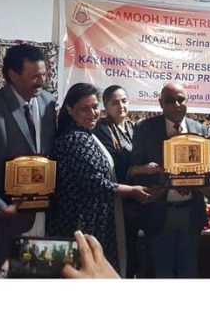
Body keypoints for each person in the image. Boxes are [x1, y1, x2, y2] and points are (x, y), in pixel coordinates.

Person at [0, 44, 57, 269]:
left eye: (44, 75)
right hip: (6, 219)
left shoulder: (48, 102)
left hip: (44, 214)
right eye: (34, 76)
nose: (41, 82)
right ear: (13, 75)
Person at [46, 82, 152, 276]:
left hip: (92, 220)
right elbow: (95, 183)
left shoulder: (86, 134)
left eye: (94, 107)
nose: (92, 113)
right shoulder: (75, 138)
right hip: (79, 223)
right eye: (84, 109)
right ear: (69, 109)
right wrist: (132, 191)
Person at [128, 81, 207, 278]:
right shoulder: (145, 129)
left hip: (191, 212)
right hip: (160, 212)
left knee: (189, 272)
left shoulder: (200, 130)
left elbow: (207, 170)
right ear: (161, 103)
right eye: (170, 101)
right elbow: (135, 170)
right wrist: (157, 186)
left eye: (180, 99)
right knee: (162, 272)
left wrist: (197, 184)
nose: (176, 105)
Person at [92, 84, 140, 277]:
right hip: (116, 197)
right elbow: (113, 164)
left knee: (134, 248)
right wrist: (137, 169)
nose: (120, 106)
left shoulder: (132, 127)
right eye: (114, 102)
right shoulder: (102, 129)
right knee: (119, 249)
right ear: (106, 106)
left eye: (124, 101)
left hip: (136, 198)